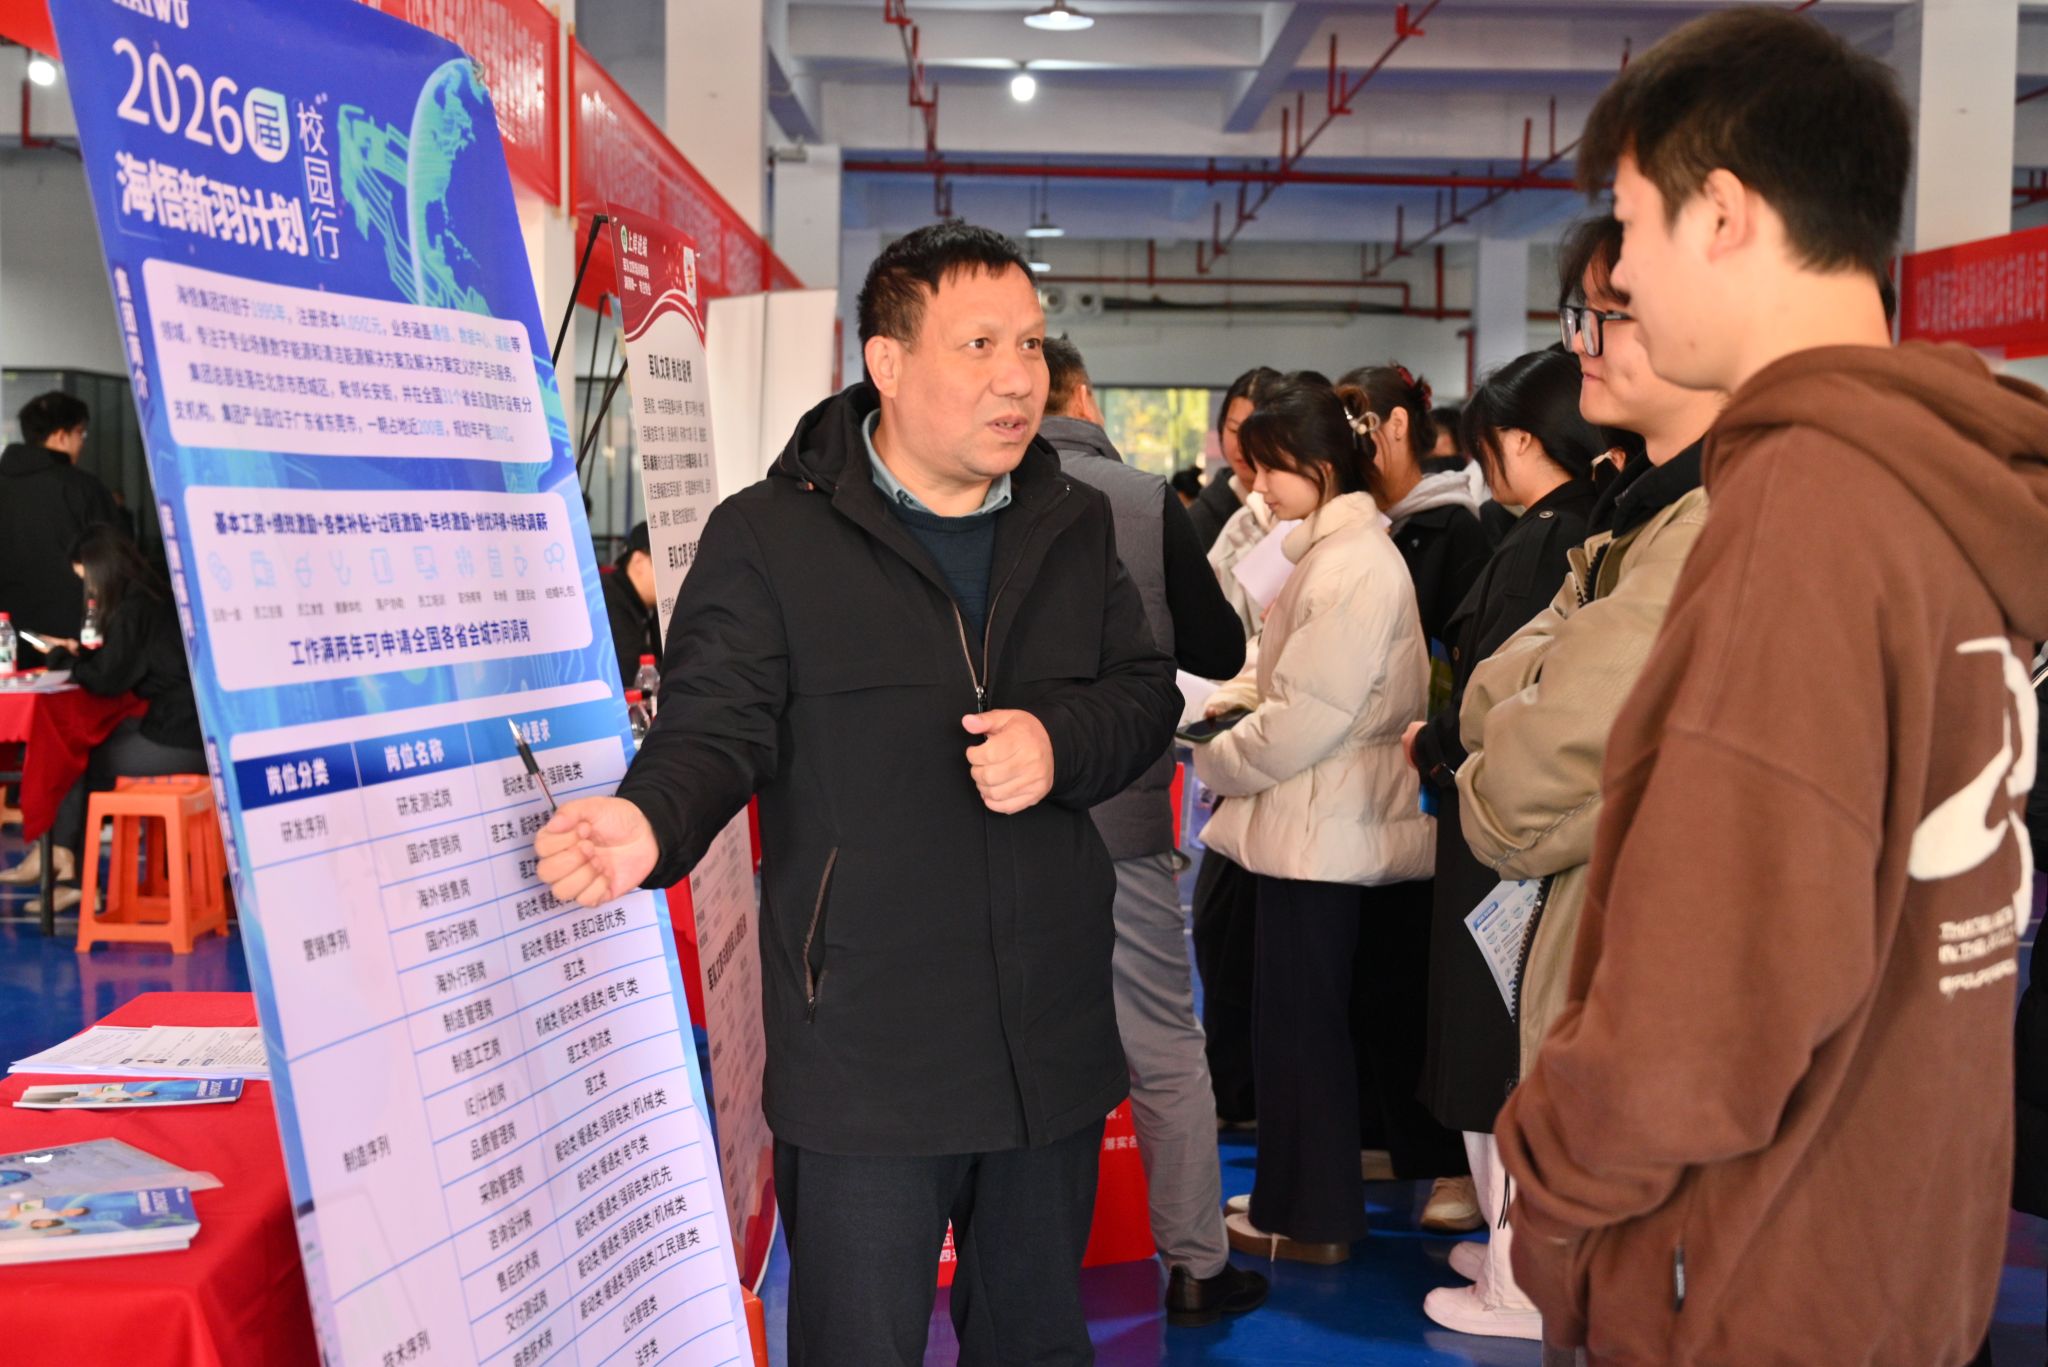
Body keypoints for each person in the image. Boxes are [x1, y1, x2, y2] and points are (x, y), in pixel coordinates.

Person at [1492, 12, 2048, 1364]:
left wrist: (1551, 1204)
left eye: (1632, 226)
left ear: (1724, 213)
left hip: (1750, 1273)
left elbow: (1705, 1006)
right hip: (1897, 1241)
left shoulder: (1807, 510)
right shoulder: (1941, 485)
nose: (1621, 274)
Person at [529, 222, 1181, 1367]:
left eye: (1029, 344)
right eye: (978, 344)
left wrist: (1057, 739)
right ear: (887, 360)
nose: (1017, 377)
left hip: (1049, 1042)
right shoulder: (769, 537)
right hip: (866, 1059)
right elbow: (713, 723)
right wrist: (646, 817)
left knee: (1037, 1341)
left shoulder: (1069, 520)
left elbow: (1140, 695)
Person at [1444, 210, 1718, 1347]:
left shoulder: (1711, 525)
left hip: (1662, 1026)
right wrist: (1511, 718)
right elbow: (1487, 692)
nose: (1581, 343)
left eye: (1608, 315)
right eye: (1581, 316)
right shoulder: (1630, 522)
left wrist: (1490, 749)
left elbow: (1518, 790)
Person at [1037, 336, 1265, 1326]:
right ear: (1083, 396)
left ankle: (1029, 1276)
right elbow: (1216, 644)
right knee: (1163, 1042)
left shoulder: (969, 494)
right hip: (1122, 812)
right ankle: (1195, 1262)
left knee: (1021, 1044)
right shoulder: (1139, 500)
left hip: (998, 817)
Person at [1192, 372, 1435, 1264]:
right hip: (1315, 822)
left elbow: (1304, 719)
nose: (1258, 489)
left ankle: (1310, 1215)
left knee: (1302, 1029)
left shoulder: (1351, 566)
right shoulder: (1333, 553)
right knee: (1300, 1023)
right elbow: (1287, 682)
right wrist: (1228, 706)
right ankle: (1299, 1198)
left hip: (1320, 825)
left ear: (1321, 467)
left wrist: (1212, 755)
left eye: (1271, 469)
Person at [1404, 349, 1602, 1341]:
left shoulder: (1546, 543)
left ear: (1518, 440)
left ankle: (1519, 1280)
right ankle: (1508, 1245)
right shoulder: (1591, 534)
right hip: (1526, 827)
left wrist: (1434, 744)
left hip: (1504, 829)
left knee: (1497, 1043)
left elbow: (1510, 699)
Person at [25, 527, 205, 913]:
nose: (89, 590)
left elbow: (106, 681)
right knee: (88, 749)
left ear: (102, 571)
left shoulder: (133, 610)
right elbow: (117, 666)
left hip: (178, 737)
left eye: (88, 580)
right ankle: (67, 865)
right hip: (194, 731)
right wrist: (81, 657)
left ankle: (71, 871)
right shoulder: (155, 598)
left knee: (78, 760)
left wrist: (59, 657)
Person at [0, 391, 118, 668]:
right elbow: (116, 563)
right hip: (76, 650)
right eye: (80, 433)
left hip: (8, 646)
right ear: (61, 436)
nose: (82, 443)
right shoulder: (82, 488)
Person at [1187, 366, 1282, 551]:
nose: (1241, 445)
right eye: (1233, 430)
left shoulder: (1300, 511)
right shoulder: (1199, 520)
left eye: (1256, 433)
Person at [601, 521, 662, 690]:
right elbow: (632, 673)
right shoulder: (609, 600)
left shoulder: (646, 606)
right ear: (638, 561)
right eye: (665, 563)